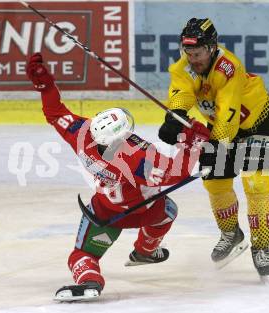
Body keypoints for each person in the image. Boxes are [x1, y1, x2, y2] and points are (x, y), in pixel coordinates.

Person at [26, 53, 210, 301]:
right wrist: (193, 142)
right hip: (146, 212)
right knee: (168, 209)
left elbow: (55, 113)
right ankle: (146, 250)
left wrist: (45, 86)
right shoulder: (138, 158)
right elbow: (177, 173)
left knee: (80, 255)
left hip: (106, 214)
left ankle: (90, 280)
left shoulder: (81, 135)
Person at [158, 18, 269, 278]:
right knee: (214, 182)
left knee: (256, 184)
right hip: (222, 126)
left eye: (198, 53)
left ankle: (261, 247)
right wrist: (175, 114)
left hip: (258, 121)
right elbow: (182, 91)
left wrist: (218, 145)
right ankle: (231, 233)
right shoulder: (183, 66)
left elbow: (228, 111)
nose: (193, 59)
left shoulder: (229, 67)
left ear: (212, 47)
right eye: (188, 53)